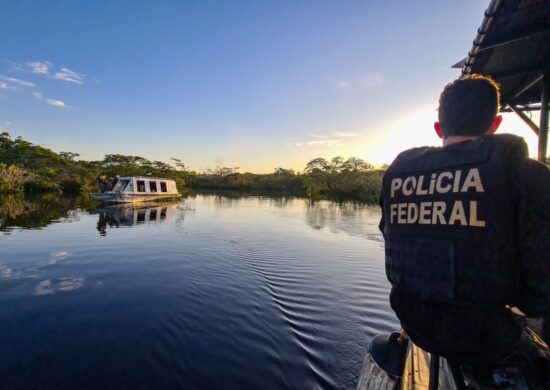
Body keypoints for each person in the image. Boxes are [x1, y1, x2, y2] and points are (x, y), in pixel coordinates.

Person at [379, 75, 549, 377]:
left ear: (439, 129)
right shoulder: (526, 174)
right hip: (489, 339)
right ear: (494, 125)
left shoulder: (398, 174)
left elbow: (389, 234)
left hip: (414, 322)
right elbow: (539, 293)